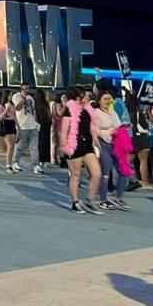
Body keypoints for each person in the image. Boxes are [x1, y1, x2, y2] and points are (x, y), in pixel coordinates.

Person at [59, 86, 103, 214]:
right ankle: (75, 202)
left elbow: (91, 127)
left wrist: (95, 139)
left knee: (96, 173)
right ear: (79, 97)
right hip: (74, 145)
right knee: (76, 175)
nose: (88, 96)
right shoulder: (69, 109)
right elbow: (63, 131)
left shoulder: (87, 109)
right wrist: (64, 147)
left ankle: (90, 200)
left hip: (87, 144)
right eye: (85, 94)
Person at [94, 92, 131, 211]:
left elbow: (118, 126)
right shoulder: (96, 113)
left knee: (124, 171)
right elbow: (95, 130)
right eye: (105, 99)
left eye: (109, 99)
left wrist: (124, 127)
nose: (107, 101)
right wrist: (109, 132)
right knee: (105, 173)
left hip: (116, 145)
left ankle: (118, 196)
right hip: (103, 144)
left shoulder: (113, 112)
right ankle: (103, 199)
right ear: (99, 100)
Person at [10, 83, 41, 174]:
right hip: (22, 126)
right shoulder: (16, 96)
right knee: (19, 146)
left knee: (34, 147)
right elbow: (18, 108)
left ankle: (36, 165)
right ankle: (15, 162)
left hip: (32, 125)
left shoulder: (31, 98)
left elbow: (33, 111)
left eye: (28, 88)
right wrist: (23, 98)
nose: (27, 90)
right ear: (21, 89)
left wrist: (36, 123)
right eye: (25, 89)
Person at [131, 94, 153, 191]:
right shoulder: (139, 114)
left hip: (135, 137)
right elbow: (144, 127)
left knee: (127, 161)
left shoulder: (131, 112)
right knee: (143, 161)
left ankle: (128, 179)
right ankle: (145, 183)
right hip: (141, 138)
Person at [0, 90, 17, 171]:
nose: (11, 97)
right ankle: (8, 165)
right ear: (6, 96)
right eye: (9, 95)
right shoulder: (1, 106)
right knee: (10, 145)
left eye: (11, 95)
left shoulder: (13, 105)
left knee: (13, 146)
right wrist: (6, 110)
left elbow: (15, 117)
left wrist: (19, 127)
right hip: (5, 124)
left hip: (12, 124)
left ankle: (11, 163)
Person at [35, 89, 54, 173]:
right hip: (47, 123)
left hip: (40, 123)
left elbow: (35, 114)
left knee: (40, 142)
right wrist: (51, 120)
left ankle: (40, 159)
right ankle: (47, 159)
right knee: (47, 141)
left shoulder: (36, 104)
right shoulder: (46, 103)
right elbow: (49, 114)